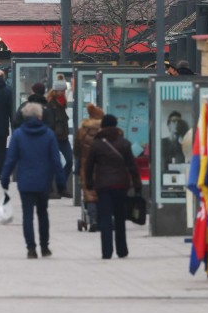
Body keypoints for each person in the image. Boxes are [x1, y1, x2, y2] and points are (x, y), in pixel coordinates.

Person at [1, 102, 66, 259]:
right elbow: (56, 160)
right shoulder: (49, 134)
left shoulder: (18, 135)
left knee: (27, 215)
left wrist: (5, 177)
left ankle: (31, 248)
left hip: (25, 181)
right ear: (40, 116)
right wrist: (61, 181)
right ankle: (45, 247)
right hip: (44, 181)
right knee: (43, 213)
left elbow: (11, 159)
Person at [85, 114, 142, 259]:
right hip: (121, 185)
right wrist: (137, 186)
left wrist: (89, 183)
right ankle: (122, 250)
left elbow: (89, 165)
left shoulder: (97, 144)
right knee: (120, 218)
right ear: (116, 126)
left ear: (102, 126)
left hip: (103, 186)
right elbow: (132, 167)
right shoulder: (124, 143)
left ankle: (106, 251)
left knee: (105, 218)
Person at [73, 103, 105, 231]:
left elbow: (76, 151)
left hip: (86, 168)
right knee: (102, 194)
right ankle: (104, 219)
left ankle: (93, 220)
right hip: (103, 168)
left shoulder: (82, 131)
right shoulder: (105, 132)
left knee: (89, 194)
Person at [46, 87, 72, 198]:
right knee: (53, 163)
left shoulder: (63, 104)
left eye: (64, 91)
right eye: (60, 90)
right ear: (54, 91)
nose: (62, 92)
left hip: (64, 138)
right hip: (54, 138)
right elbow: (50, 123)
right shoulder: (50, 105)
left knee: (70, 161)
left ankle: (61, 187)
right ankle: (50, 189)